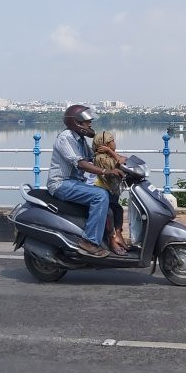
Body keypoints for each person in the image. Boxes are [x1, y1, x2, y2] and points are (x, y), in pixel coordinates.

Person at [45, 104, 118, 258]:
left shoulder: (80, 140)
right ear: (76, 122)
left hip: (75, 183)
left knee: (110, 199)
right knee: (100, 196)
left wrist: (118, 161)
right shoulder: (65, 138)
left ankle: (111, 240)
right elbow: (80, 163)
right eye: (87, 121)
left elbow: (93, 158)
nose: (90, 124)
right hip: (61, 184)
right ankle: (89, 242)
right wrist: (105, 172)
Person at [92, 130, 129, 255]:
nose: (114, 143)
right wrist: (111, 152)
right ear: (105, 144)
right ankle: (112, 239)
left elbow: (124, 160)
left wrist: (110, 152)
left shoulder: (108, 156)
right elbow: (120, 163)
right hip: (102, 190)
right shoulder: (101, 158)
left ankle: (119, 235)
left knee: (118, 210)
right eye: (111, 141)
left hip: (111, 191)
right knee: (109, 214)